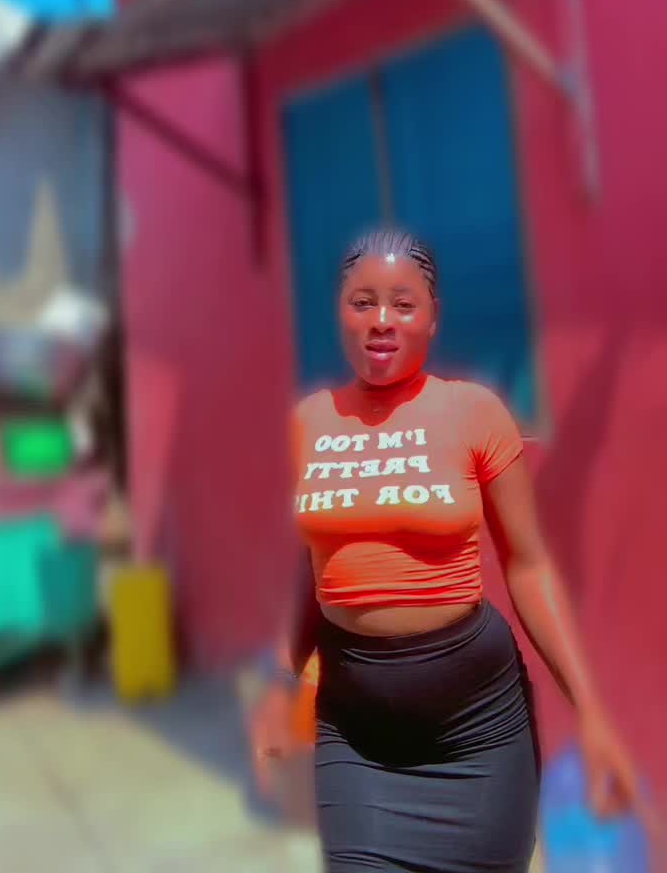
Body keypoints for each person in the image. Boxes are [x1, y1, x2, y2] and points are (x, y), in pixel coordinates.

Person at [250, 228, 658, 873]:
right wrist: (282, 682)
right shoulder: (312, 420)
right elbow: (314, 565)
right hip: (358, 736)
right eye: (363, 302)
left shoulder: (475, 413)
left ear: (432, 317)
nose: (381, 320)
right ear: (340, 312)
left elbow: (529, 564)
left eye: (403, 304)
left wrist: (592, 716)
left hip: (476, 731)